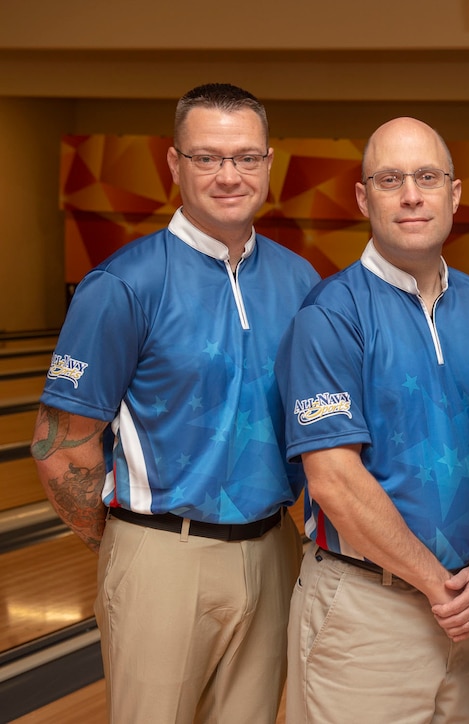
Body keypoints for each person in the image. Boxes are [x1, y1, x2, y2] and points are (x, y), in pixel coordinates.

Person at [31, 83, 320, 722]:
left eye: (245, 157)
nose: (227, 175)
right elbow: (60, 445)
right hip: (163, 551)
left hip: (274, 548)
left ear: (269, 163)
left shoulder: (300, 281)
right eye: (206, 158)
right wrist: (133, 548)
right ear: (174, 165)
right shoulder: (123, 285)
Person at [274, 116, 469, 723]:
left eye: (427, 177)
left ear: (454, 194)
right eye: (390, 179)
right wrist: (438, 584)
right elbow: (333, 481)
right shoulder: (331, 315)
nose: (411, 195)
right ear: (363, 197)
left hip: (468, 608)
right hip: (365, 613)